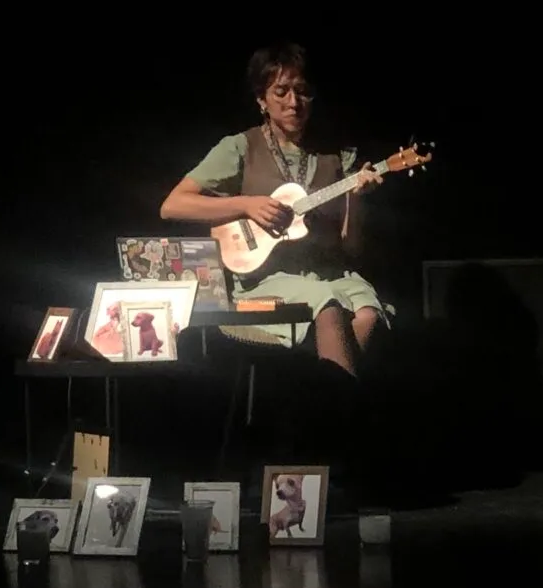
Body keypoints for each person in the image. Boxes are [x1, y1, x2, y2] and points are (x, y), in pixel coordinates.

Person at [160, 42, 388, 377]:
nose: (293, 102)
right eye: (281, 92)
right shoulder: (240, 147)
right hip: (265, 279)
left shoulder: (335, 155)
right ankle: (338, 405)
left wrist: (357, 197)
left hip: (328, 272)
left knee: (368, 311)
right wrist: (246, 204)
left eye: (302, 91)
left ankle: (328, 398)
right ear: (261, 99)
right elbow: (172, 205)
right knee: (328, 305)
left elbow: (351, 248)